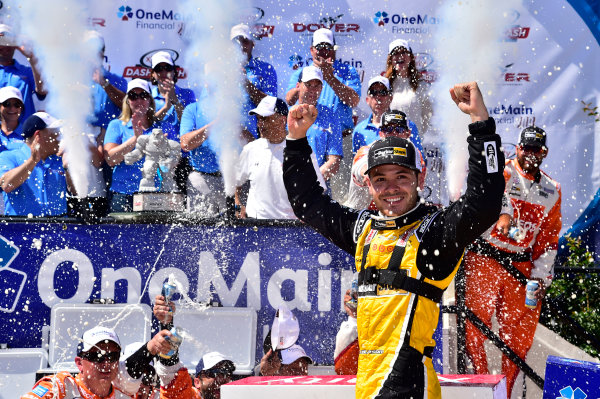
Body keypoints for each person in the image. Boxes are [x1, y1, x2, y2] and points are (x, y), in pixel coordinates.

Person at [282, 81, 505, 398]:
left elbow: (484, 202)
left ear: (420, 178)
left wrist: (481, 125)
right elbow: (308, 202)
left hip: (409, 387)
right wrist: (296, 140)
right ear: (369, 186)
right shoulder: (364, 229)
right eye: (381, 180)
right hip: (368, 385)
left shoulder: (434, 232)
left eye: (402, 177)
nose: (391, 188)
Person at [463, 125, 561, 397]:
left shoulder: (552, 189)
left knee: (518, 337)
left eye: (536, 149)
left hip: (521, 268)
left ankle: (508, 393)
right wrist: (504, 215)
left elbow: (549, 240)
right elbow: (480, 193)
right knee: (474, 327)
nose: (531, 153)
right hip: (486, 258)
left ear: (545, 152)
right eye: (526, 147)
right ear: (517, 148)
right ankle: (480, 389)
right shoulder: (501, 173)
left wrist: (541, 278)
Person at [235, 95, 325, 219]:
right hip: (254, 226)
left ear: (283, 120)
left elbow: (319, 190)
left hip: (288, 228)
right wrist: (238, 204)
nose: (260, 124)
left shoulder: (300, 150)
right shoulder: (250, 149)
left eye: (265, 119)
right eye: (258, 119)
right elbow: (235, 183)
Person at [21, 326, 171, 399]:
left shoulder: (125, 393)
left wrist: (164, 327)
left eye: (112, 356)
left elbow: (132, 367)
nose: (106, 363)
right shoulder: (62, 387)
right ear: (79, 363)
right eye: (97, 356)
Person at [153, 295, 235, 399]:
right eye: (214, 373)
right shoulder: (190, 396)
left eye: (226, 373)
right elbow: (171, 373)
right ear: (197, 383)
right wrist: (167, 324)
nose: (221, 379)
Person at [345, 110, 425, 211]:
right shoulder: (367, 150)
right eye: (388, 129)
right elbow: (359, 168)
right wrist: (367, 174)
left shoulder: (415, 154)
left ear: (408, 133)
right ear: (381, 133)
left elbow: (419, 187)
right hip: (360, 214)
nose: (393, 134)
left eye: (399, 129)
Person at [285, 28, 360, 135]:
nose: (324, 51)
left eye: (328, 47)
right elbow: (289, 100)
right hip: (308, 133)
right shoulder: (301, 73)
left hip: (341, 134)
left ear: (334, 50)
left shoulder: (348, 71)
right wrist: (305, 85)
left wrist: (329, 77)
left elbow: (353, 101)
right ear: (312, 50)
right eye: (320, 47)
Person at [104, 79, 163, 212]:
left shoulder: (162, 127)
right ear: (127, 101)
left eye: (143, 95)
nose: (138, 100)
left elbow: (173, 164)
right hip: (123, 194)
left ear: (150, 100)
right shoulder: (116, 125)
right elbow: (111, 160)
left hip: (154, 194)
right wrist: (135, 139)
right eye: (133, 96)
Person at [0, 112, 69, 216]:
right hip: (20, 229)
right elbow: (6, 185)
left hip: (58, 228)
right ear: (38, 135)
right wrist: (32, 161)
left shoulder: (60, 160)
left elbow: (77, 192)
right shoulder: (8, 156)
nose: (59, 137)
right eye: (55, 132)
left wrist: (69, 167)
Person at [293, 65, 342, 182]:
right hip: (287, 187)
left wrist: (312, 182)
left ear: (322, 88)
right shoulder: (286, 115)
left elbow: (334, 161)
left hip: (318, 188)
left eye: (317, 86)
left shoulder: (330, 116)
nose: (313, 90)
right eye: (308, 85)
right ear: (298, 86)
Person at [230, 23, 278, 142]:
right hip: (227, 142)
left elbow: (270, 106)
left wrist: (244, 81)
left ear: (253, 43)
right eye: (236, 42)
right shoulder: (220, 70)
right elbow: (210, 107)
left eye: (245, 41)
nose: (240, 45)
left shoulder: (266, 69)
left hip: (257, 140)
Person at [352, 76, 421, 155]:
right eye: (373, 93)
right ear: (367, 100)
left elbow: (420, 161)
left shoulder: (407, 125)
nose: (378, 97)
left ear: (390, 98)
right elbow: (357, 163)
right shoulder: (359, 130)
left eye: (383, 92)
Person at [179, 98, 224, 216]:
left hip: (234, 181)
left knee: (237, 230)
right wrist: (216, 123)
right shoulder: (192, 109)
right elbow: (185, 144)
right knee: (199, 229)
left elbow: (250, 144)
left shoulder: (237, 108)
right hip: (201, 178)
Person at [386, 39, 433, 137]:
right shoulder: (386, 85)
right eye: (395, 53)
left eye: (404, 52)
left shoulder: (421, 85)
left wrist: (417, 135)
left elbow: (428, 115)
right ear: (390, 59)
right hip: (391, 143)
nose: (400, 56)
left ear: (410, 57)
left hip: (414, 143)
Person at [0, 24, 46, 122]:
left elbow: (42, 93)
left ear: (14, 46)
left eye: (7, 42)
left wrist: (32, 58)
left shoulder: (27, 71)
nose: (4, 46)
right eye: (1, 42)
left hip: (23, 133)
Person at [0, 85, 25, 150]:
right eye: (7, 104)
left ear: (21, 108)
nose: (12, 108)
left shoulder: (30, 136)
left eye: (17, 104)